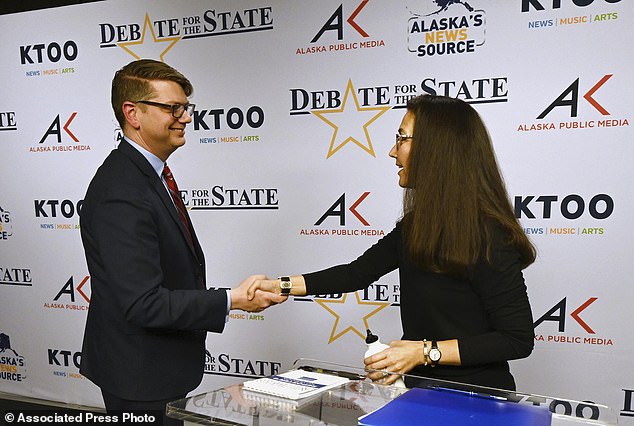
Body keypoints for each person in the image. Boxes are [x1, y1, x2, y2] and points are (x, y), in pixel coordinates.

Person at [247, 94, 536, 391]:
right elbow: (355, 274)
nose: (391, 152)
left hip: (478, 400)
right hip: (420, 392)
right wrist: (279, 286)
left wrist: (423, 351)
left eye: (402, 138)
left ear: (437, 148)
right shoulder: (416, 226)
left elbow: (516, 338)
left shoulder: (490, 235)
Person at [79, 59, 285, 423]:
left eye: (186, 107)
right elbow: (144, 304)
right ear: (133, 113)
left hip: (157, 369)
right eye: (172, 108)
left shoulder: (146, 175)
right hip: (138, 377)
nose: (186, 117)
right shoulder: (121, 190)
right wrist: (232, 299)